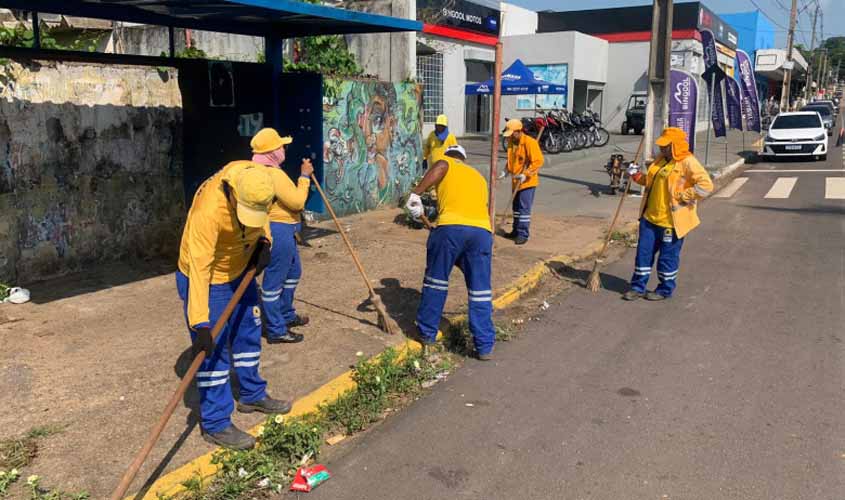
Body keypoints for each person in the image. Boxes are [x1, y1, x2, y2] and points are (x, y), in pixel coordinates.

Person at [177, 161, 291, 450]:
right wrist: (201, 323)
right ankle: (216, 424)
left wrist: (265, 241)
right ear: (231, 193)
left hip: (241, 270)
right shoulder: (209, 211)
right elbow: (200, 271)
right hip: (209, 279)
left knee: (249, 333)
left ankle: (252, 393)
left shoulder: (256, 179)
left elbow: (262, 213)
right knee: (213, 353)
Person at [405, 145, 495, 360]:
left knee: (436, 281)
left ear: (453, 158)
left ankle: (427, 333)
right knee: (480, 289)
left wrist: (415, 194)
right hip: (482, 233)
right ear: (465, 158)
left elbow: (441, 166)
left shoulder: (447, 163)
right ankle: (484, 346)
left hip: (451, 230)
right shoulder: (478, 177)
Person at [623, 127, 713, 301]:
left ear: (676, 145)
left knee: (667, 258)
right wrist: (635, 175)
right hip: (650, 218)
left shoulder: (688, 162)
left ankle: (664, 289)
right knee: (643, 254)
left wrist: (684, 196)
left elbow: (706, 185)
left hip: (671, 223)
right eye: (662, 146)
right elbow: (649, 182)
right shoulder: (660, 161)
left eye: (666, 146)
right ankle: (637, 287)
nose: (662, 149)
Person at [249, 128, 313, 344]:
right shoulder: (273, 174)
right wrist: (304, 177)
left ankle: (286, 314)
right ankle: (276, 328)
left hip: (285, 229)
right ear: (271, 151)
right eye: (281, 146)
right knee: (274, 281)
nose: (284, 149)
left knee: (294, 271)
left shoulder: (258, 169)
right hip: (279, 229)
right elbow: (296, 202)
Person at [503, 118, 544, 245]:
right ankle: (515, 230)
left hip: (527, 182)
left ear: (518, 131)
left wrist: (526, 174)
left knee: (523, 209)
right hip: (516, 180)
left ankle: (523, 234)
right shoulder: (511, 141)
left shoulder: (530, 143)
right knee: (516, 208)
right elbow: (512, 159)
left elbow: (538, 161)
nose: (510, 136)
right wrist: (506, 170)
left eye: (512, 133)